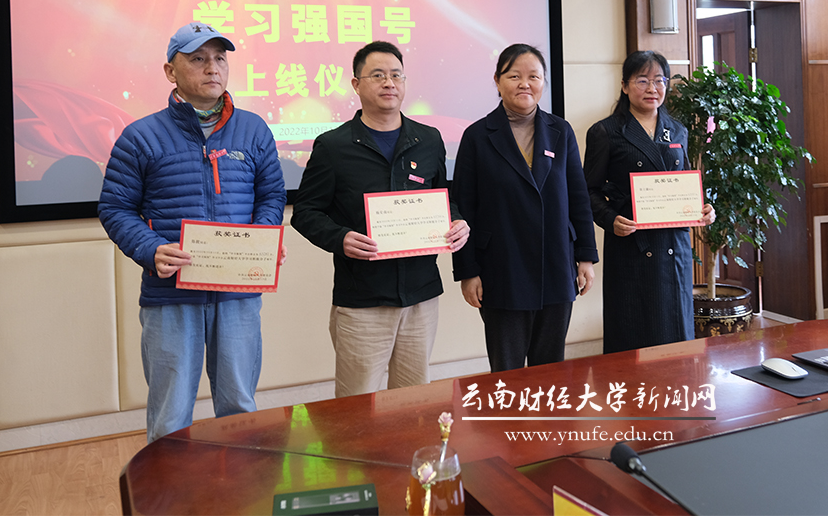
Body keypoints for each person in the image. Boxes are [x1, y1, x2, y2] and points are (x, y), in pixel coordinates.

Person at [98, 22, 287, 442]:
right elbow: (114, 208)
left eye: (220, 58)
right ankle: (167, 486)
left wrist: (263, 238)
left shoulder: (253, 130)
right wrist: (150, 249)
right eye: (198, 59)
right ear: (171, 71)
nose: (212, 68)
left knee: (239, 409)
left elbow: (272, 195)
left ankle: (240, 483)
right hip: (170, 295)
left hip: (237, 294)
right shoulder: (141, 136)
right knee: (170, 414)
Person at [291, 41, 470, 397]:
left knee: (413, 402)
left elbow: (442, 198)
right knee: (358, 404)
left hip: (420, 297)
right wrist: (340, 237)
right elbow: (306, 212)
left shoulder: (428, 140)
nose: (389, 83)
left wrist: (457, 221)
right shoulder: (333, 146)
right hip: (363, 300)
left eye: (396, 75)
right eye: (377, 75)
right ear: (356, 84)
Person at [451, 44, 597, 372]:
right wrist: (468, 271)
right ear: (497, 80)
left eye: (534, 76)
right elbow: (463, 207)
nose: (525, 84)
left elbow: (578, 197)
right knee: (507, 371)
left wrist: (586, 257)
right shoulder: (477, 136)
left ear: (544, 82)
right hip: (501, 268)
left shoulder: (561, 131)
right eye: (514, 76)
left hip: (556, 263)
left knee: (551, 370)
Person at [583, 50, 715, 354]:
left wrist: (704, 208)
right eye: (642, 80)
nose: (652, 88)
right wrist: (610, 219)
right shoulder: (605, 131)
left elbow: (683, 182)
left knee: (676, 337)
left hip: (674, 247)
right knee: (632, 334)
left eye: (659, 80)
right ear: (624, 85)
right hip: (631, 245)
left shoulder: (678, 130)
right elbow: (587, 191)